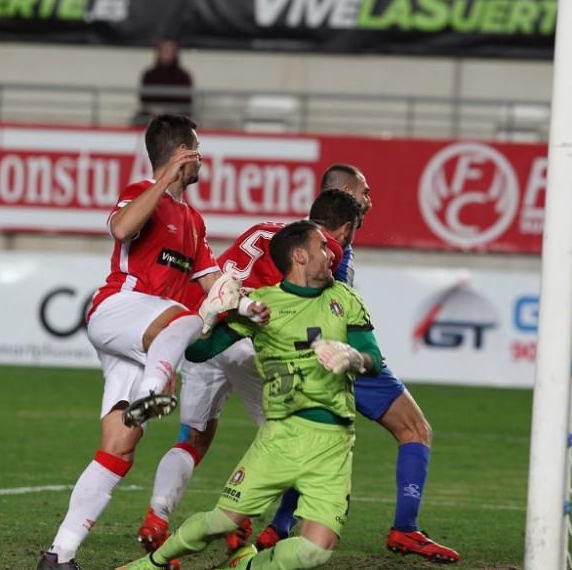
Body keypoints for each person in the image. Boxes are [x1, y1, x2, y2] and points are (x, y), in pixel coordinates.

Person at [36, 114, 267, 570]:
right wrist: (163, 180)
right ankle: (153, 393)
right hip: (119, 309)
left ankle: (58, 554)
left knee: (118, 449)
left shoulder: (195, 221)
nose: (203, 158)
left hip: (147, 337)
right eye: (196, 149)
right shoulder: (141, 192)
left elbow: (214, 284)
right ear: (182, 152)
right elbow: (121, 229)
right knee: (187, 319)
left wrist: (246, 307)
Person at [117, 220, 383, 570]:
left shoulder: (344, 299)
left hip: (334, 443)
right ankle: (153, 563)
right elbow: (199, 353)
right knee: (222, 522)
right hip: (281, 438)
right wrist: (209, 316)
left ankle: (243, 566)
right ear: (300, 256)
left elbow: (374, 360)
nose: (331, 256)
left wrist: (353, 358)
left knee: (315, 551)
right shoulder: (262, 305)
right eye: (322, 248)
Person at [254, 163, 460, 564]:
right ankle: (405, 529)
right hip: (342, 356)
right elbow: (335, 308)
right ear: (346, 195)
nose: (370, 199)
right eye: (364, 192)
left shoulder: (297, 243)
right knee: (415, 429)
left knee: (316, 441)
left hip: (299, 354)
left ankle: (274, 527)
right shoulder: (333, 251)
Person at [137, 40, 194, 121]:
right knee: (138, 119)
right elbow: (144, 98)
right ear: (158, 53)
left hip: (178, 113)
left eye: (169, 51)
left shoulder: (184, 76)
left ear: (175, 54)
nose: (166, 54)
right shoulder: (149, 75)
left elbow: (187, 100)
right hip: (152, 112)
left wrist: (172, 112)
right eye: (164, 51)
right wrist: (153, 109)